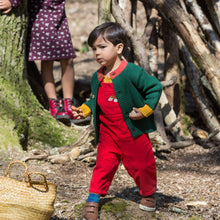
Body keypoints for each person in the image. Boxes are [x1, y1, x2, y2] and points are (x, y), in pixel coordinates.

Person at [72, 22, 163, 220]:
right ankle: (93, 199)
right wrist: (85, 109)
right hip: (108, 134)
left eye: (102, 47)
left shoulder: (131, 72)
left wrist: (146, 110)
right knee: (103, 165)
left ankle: (148, 193)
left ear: (119, 48)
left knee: (142, 164)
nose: (97, 52)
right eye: (94, 48)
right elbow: (96, 98)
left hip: (132, 132)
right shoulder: (98, 76)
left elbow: (154, 87)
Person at [0, 0, 76, 124]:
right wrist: (13, 2)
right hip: (42, 17)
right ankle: (54, 104)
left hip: (58, 14)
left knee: (67, 60)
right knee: (47, 61)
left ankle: (68, 103)